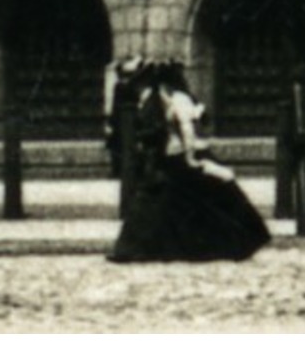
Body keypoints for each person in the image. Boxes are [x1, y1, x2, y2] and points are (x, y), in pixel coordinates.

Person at [109, 62, 270, 262]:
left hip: (183, 157)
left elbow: (187, 130)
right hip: (175, 157)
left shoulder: (178, 99)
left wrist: (190, 157)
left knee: (184, 204)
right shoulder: (166, 98)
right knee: (179, 205)